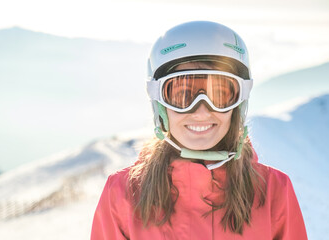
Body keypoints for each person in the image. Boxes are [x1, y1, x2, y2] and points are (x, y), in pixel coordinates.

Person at [91, 21, 307, 239]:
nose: (202, 112)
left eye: (219, 95)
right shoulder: (122, 194)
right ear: (160, 104)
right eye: (182, 95)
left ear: (238, 104)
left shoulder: (273, 191)